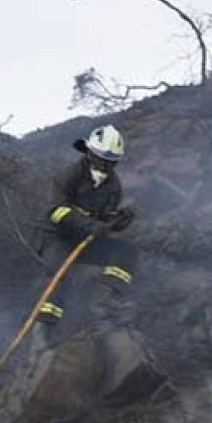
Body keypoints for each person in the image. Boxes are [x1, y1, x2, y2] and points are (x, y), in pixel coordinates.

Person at [37, 124, 139, 337]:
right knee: (59, 275)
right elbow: (56, 211)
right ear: (90, 154)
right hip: (56, 238)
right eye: (102, 160)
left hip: (84, 240)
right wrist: (89, 225)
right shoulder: (69, 175)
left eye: (111, 163)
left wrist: (118, 221)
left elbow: (103, 219)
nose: (105, 167)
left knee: (125, 253)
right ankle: (43, 331)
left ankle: (104, 302)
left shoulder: (114, 186)